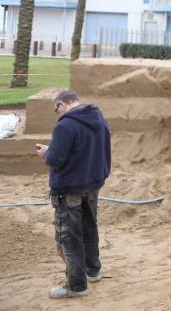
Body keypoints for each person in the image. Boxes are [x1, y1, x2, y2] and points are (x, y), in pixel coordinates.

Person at [35, 90, 111, 299]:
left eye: (55, 109)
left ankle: (77, 286)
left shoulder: (65, 125)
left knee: (69, 236)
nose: (56, 113)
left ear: (61, 104)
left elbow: (55, 160)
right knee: (89, 228)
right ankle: (92, 271)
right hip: (92, 184)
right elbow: (85, 150)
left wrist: (46, 152)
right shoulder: (99, 118)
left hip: (70, 189)